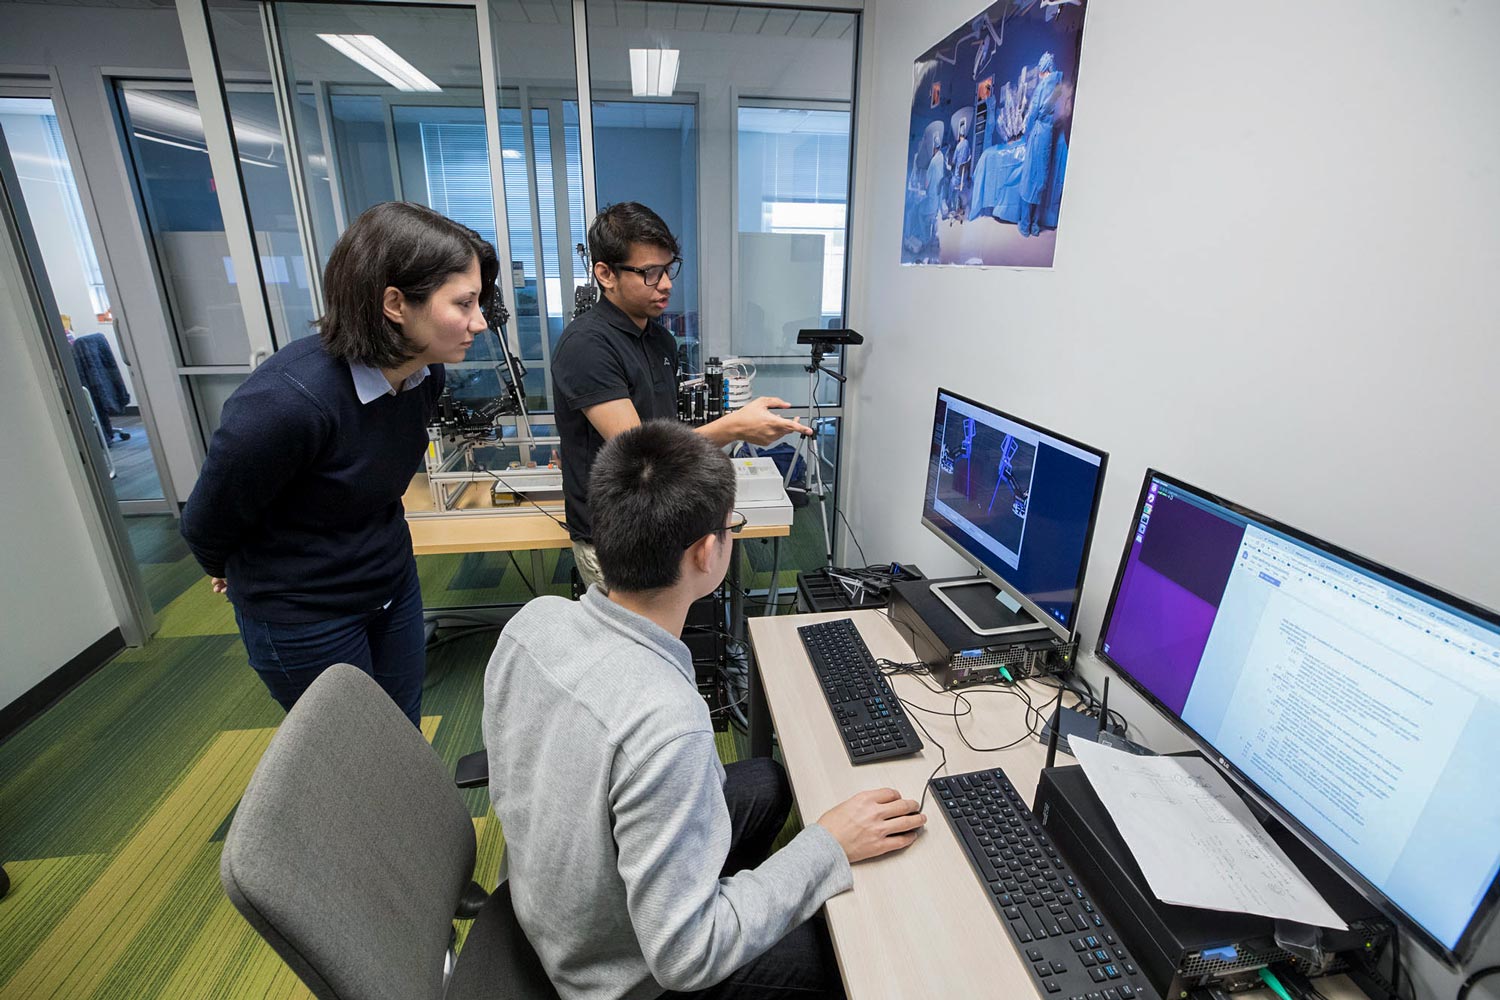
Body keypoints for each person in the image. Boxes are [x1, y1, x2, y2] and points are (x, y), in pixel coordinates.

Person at [483, 420, 927, 999]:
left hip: (549, 898)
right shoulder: (666, 724)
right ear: (705, 552)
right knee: (843, 949)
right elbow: (684, 960)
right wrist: (826, 846)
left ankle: (706, 888)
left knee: (767, 781)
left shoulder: (533, 622)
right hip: (617, 976)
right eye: (730, 528)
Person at [180, 202, 499, 726]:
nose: (479, 323)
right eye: (463, 304)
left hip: (389, 583)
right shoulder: (286, 403)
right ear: (395, 303)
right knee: (354, 758)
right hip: (304, 613)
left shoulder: (423, 374)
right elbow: (207, 521)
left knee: (401, 735)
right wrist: (228, 566)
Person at [551, 202, 813, 590]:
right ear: (605, 274)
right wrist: (735, 427)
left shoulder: (659, 338)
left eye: (669, 268)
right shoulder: (587, 345)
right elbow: (643, 451)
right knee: (630, 647)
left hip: (661, 521)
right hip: (614, 537)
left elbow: (668, 430)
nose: (667, 284)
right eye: (649, 273)